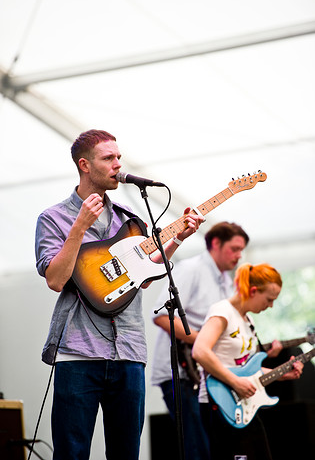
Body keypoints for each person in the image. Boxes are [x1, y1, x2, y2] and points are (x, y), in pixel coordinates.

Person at [35, 129, 204, 460]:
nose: (117, 164)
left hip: (128, 351)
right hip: (77, 352)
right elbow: (55, 280)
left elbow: (142, 280)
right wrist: (79, 228)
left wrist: (177, 238)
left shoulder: (131, 217)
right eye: (108, 158)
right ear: (85, 165)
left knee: (127, 452)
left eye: (119, 157)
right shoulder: (53, 218)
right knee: (72, 451)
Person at [151, 221, 250, 460]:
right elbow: (162, 317)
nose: (239, 255)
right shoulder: (191, 268)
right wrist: (204, 342)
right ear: (216, 243)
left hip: (206, 377)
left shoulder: (227, 279)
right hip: (182, 375)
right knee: (197, 450)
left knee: (214, 449)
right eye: (235, 248)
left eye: (241, 250)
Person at [192, 263, 304, 460]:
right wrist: (235, 382)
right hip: (220, 402)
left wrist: (282, 374)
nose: (270, 306)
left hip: (243, 406)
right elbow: (200, 351)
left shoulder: (247, 321)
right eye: (269, 300)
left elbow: (245, 369)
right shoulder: (222, 311)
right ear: (253, 291)